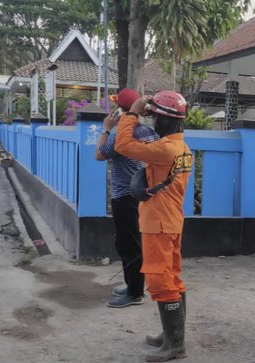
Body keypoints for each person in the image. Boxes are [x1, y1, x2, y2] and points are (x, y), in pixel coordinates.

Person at [114, 91, 193, 362]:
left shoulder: (164, 149)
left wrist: (132, 113)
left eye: (156, 117)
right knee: (172, 276)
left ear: (166, 120)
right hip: (170, 221)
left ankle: (175, 345)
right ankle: (172, 336)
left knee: (160, 280)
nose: (153, 122)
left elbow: (122, 145)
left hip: (158, 223)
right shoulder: (180, 147)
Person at [95, 88, 158, 308]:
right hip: (143, 195)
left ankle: (134, 293)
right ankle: (133, 286)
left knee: (128, 244)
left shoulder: (120, 134)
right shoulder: (149, 132)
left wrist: (105, 129)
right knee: (134, 243)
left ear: (120, 109)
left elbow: (99, 154)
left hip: (124, 196)